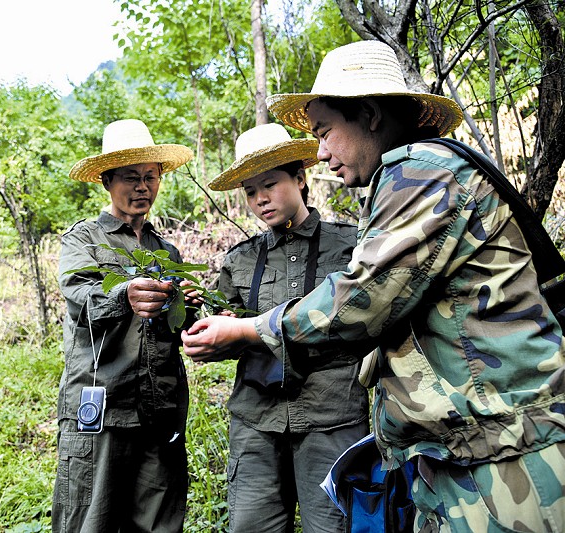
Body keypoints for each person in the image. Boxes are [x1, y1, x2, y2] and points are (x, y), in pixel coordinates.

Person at [182, 40, 565, 531]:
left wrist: (250, 329)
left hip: (504, 446)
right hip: (470, 445)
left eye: (324, 132)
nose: (321, 153)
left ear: (367, 114)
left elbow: (361, 300)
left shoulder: (422, 171)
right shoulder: (408, 176)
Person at [205, 123, 369, 532]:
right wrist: (203, 328)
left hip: (333, 418)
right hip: (256, 421)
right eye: (249, 191)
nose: (261, 199)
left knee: (333, 526)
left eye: (271, 184)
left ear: (300, 179)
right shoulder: (240, 260)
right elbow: (218, 329)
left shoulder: (352, 246)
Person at [52, 118, 197, 532]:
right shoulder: (83, 240)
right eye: (131, 178)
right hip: (103, 406)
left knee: (158, 522)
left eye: (150, 177)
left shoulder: (165, 249)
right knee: (89, 519)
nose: (142, 187)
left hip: (160, 408)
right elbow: (79, 297)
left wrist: (188, 306)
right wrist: (124, 295)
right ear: (106, 181)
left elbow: (178, 329)